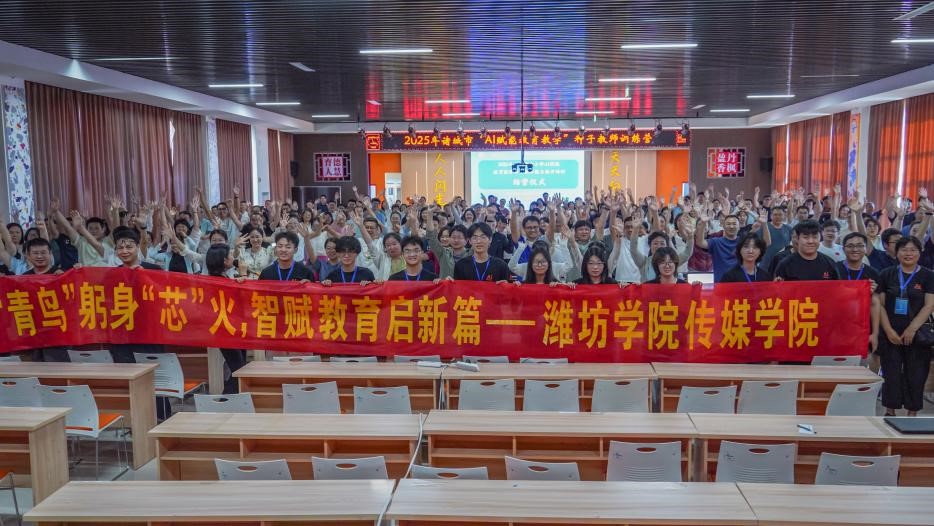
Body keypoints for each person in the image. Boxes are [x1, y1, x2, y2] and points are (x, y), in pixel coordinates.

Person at [108, 226, 172, 420]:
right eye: (120, 247)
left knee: (156, 381)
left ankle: (162, 420)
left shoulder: (154, 270)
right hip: (123, 337)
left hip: (149, 335)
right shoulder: (110, 275)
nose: (124, 251)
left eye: (129, 246)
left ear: (138, 247)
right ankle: (136, 422)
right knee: (131, 382)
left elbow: (165, 298)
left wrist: (145, 277)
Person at [875, 236, 934, 416]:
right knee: (891, 373)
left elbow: (929, 305)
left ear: (919, 252)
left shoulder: (928, 275)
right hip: (890, 332)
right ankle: (889, 411)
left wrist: (911, 329)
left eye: (913, 250)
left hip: (918, 333)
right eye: (904, 249)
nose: (908, 253)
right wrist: (888, 330)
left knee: (916, 374)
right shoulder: (886, 274)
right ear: (897, 252)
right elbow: (879, 305)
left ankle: (912, 413)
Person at [205, 244, 248, 393]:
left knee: (239, 367)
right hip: (226, 330)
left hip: (234, 328)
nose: (232, 257)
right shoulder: (217, 281)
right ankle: (224, 400)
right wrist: (243, 276)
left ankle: (232, 399)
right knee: (239, 369)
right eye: (230, 255)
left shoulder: (221, 278)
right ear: (224, 260)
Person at [774, 220, 839, 281]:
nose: (810, 241)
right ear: (797, 239)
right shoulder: (785, 264)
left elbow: (837, 287)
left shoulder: (829, 263)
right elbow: (778, 287)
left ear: (820, 238)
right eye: (806, 237)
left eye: (815, 237)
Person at [695, 213, 741, 282]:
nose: (731, 226)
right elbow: (700, 243)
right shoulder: (716, 242)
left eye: (734, 224)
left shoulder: (744, 242)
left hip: (740, 283)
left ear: (739, 227)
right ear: (723, 226)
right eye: (728, 224)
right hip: (720, 283)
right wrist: (703, 223)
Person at [760, 206, 792, 270]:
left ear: (784, 216)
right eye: (775, 214)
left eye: (780, 214)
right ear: (771, 216)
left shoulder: (789, 228)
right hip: (766, 263)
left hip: (783, 263)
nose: (778, 217)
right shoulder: (764, 227)